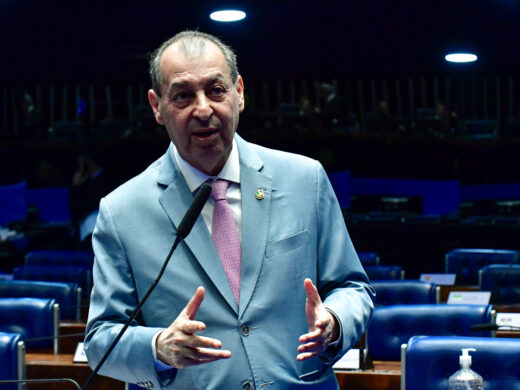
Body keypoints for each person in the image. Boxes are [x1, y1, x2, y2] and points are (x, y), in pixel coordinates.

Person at [84, 30, 374, 390]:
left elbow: (352, 286)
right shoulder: (121, 211)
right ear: (157, 106)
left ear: (239, 92)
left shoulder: (305, 179)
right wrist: (158, 347)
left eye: (215, 90)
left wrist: (333, 320)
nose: (203, 109)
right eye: (183, 95)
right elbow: (100, 340)